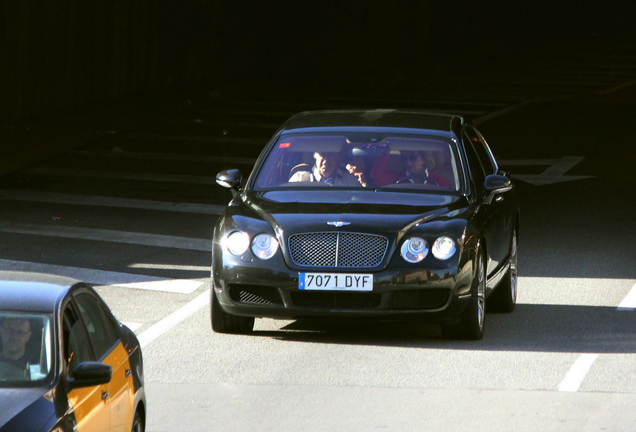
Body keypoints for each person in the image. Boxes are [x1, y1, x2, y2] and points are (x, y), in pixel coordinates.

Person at [289, 151, 362, 186]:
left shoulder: (349, 180)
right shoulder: (299, 179)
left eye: (331, 154)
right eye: (322, 154)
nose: (326, 160)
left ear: (338, 159)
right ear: (315, 157)